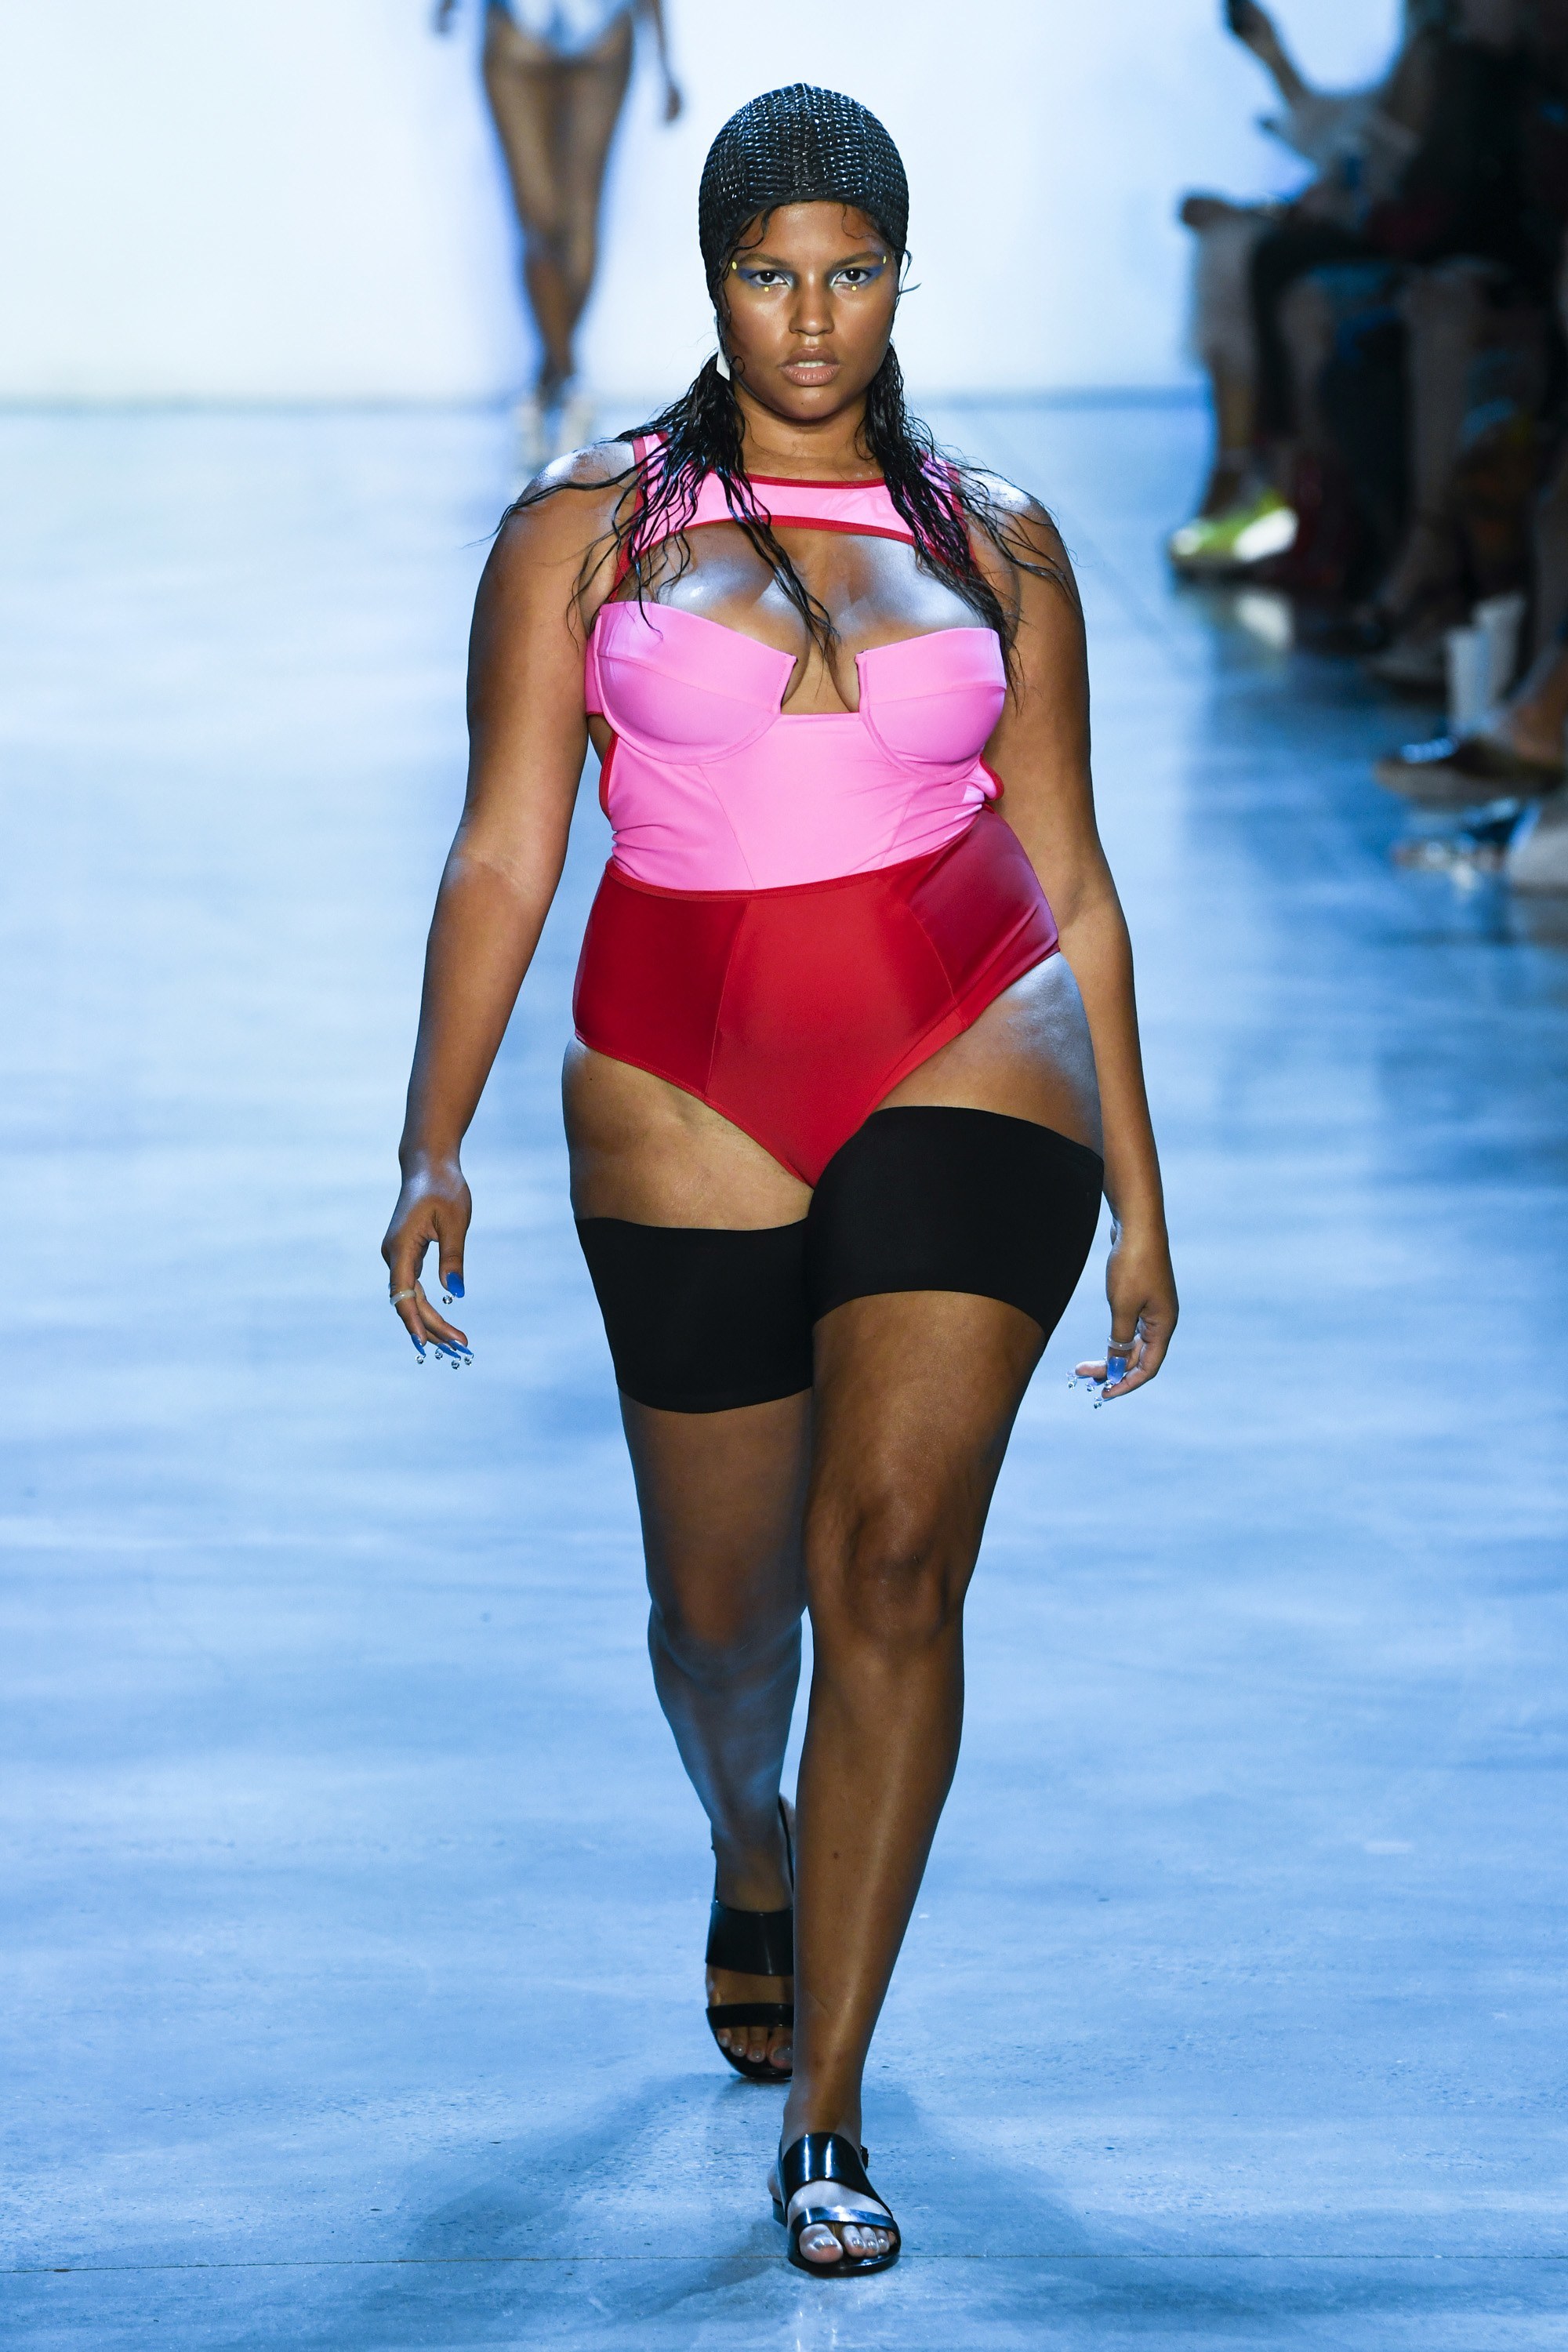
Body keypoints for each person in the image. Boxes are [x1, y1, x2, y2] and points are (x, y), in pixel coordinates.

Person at [382, 84, 1177, 2278]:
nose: (810, 316)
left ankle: (827, 2105)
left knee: (893, 1562)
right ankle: (754, 1839)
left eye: (849, 272)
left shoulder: (1001, 537)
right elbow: (506, 847)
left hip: (973, 1037)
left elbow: (1072, 869)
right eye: (767, 273)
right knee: (724, 1622)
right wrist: (432, 1134)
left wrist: (1141, 1184)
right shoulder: (582, 530)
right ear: (714, 282)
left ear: (901, 279)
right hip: (680, 1078)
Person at [434, 0, 682, 469]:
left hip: (526, 23)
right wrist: (666, 61)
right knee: (574, 222)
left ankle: (554, 386)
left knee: (545, 224)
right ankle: (566, 384)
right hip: (600, 24)